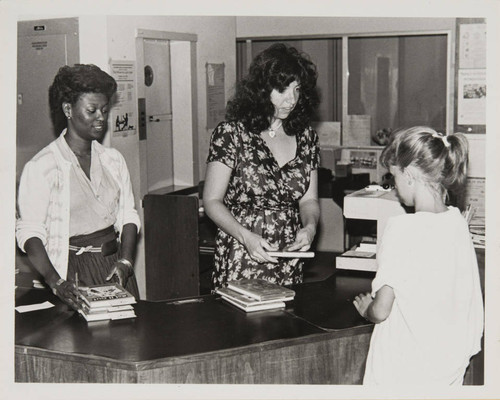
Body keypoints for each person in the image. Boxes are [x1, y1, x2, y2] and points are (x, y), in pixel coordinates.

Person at [353, 126, 484, 386]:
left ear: (410, 175)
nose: (394, 187)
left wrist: (366, 308)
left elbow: (381, 311)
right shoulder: (457, 222)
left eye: (394, 178)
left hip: (405, 368)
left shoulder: (402, 229)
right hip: (446, 367)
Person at [16, 64, 141, 309]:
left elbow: (129, 215)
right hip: (71, 272)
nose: (101, 118)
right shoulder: (43, 166)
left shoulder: (113, 160)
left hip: (114, 266)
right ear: (68, 109)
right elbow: (30, 233)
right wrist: (56, 282)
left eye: (104, 110)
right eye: (92, 110)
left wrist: (125, 262)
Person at [203, 43, 320, 289]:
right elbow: (212, 201)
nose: (292, 99)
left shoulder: (306, 137)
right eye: (282, 90)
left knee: (287, 325)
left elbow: (308, 201)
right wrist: (246, 237)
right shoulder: (231, 133)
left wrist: (309, 227)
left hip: (288, 254)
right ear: (261, 90)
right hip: (242, 249)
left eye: (297, 90)